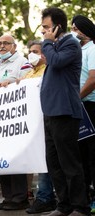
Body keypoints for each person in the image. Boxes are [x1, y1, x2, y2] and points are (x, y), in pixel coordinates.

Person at [40, 7, 90, 216]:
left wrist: (48, 44)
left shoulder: (70, 43)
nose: (43, 32)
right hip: (50, 112)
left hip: (65, 111)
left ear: (58, 26)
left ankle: (80, 206)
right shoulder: (56, 46)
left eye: (46, 27)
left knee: (69, 162)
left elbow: (59, 62)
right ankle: (64, 205)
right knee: (54, 163)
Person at [0, 34, 31, 211]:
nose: (2, 46)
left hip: (15, 119)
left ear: (14, 46)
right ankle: (8, 197)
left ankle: (19, 198)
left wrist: (12, 82)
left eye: (5, 43)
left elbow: (27, 83)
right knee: (2, 159)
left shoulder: (23, 62)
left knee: (15, 159)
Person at [24, 41, 57, 214]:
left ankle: (45, 197)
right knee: (40, 159)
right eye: (29, 51)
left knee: (46, 160)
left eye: (35, 51)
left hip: (47, 121)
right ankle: (44, 197)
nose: (32, 54)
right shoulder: (29, 74)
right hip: (33, 125)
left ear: (44, 54)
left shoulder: (49, 70)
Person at [71, 15, 95, 214]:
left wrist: (76, 97)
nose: (74, 31)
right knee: (81, 156)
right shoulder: (77, 50)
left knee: (93, 155)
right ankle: (84, 198)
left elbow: (93, 79)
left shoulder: (93, 48)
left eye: (76, 28)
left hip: (90, 105)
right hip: (78, 107)